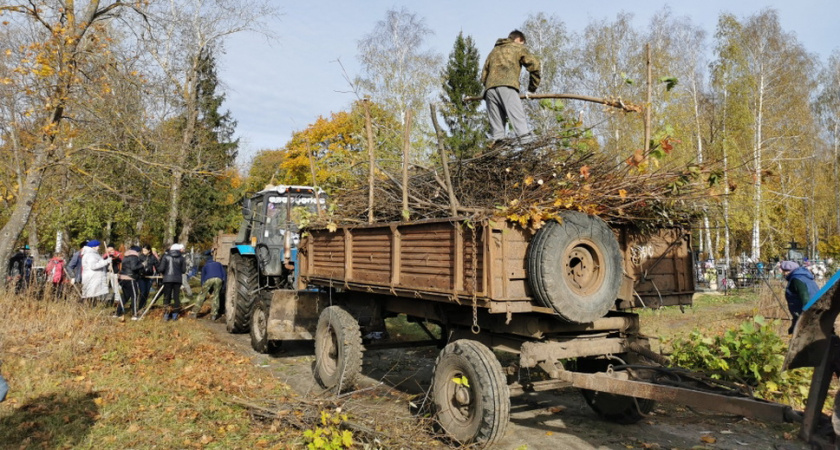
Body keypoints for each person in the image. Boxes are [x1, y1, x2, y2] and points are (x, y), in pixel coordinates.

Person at [481, 29, 541, 146]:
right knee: (519, 123)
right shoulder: (517, 47)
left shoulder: (493, 51)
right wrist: (532, 89)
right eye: (522, 43)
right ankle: (530, 153)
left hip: (489, 90)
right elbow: (535, 65)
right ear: (519, 40)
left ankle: (498, 156)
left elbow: (483, 76)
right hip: (507, 87)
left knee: (497, 134)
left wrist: (491, 86)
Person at [780, 260, 820, 334]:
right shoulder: (805, 276)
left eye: (784, 271)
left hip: (805, 312)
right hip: (816, 309)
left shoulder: (796, 279)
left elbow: (804, 296)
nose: (783, 274)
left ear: (788, 271)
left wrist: (804, 315)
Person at [191, 250, 226, 321]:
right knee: (216, 296)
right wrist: (224, 286)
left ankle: (194, 312)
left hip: (208, 279)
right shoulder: (219, 264)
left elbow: (203, 278)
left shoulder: (205, 266)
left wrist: (203, 288)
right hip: (219, 279)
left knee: (201, 295)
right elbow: (224, 275)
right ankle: (214, 315)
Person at [157, 243, 187, 321]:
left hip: (167, 279)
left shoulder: (166, 256)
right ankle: (175, 315)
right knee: (176, 297)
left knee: (167, 297)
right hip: (177, 279)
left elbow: (161, 269)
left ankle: (166, 315)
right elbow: (184, 270)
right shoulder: (182, 258)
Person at [117, 246, 144, 319]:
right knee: (134, 296)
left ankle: (118, 313)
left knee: (125, 296)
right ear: (137, 251)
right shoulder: (134, 257)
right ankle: (134, 314)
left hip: (122, 278)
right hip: (130, 278)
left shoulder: (125, 256)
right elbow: (134, 267)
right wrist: (142, 265)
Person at [137, 244, 159, 313]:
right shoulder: (140, 257)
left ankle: (143, 307)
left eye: (145, 250)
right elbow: (137, 266)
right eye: (143, 250)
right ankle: (140, 307)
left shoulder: (152, 257)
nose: (144, 251)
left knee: (147, 292)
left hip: (150, 277)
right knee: (143, 292)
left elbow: (157, 265)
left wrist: (160, 272)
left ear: (149, 250)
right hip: (141, 277)